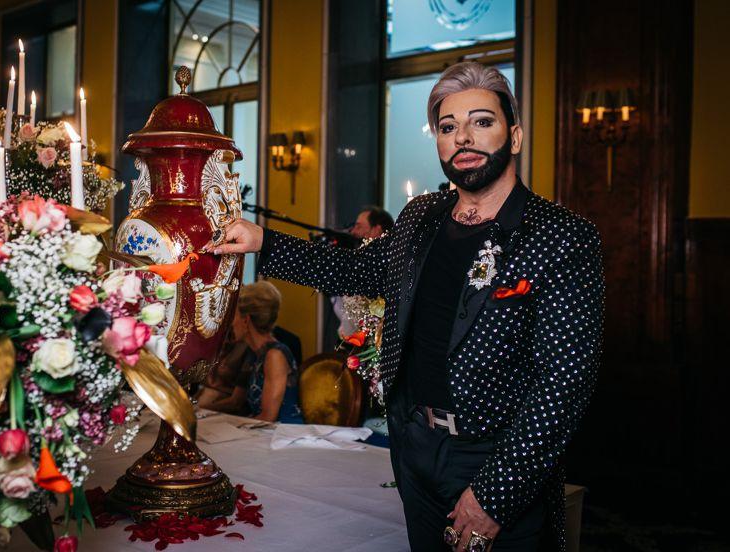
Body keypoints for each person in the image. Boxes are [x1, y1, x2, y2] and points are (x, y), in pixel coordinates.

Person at [206, 61, 603, 551]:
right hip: (412, 443)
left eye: (482, 121)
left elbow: (564, 385)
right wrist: (262, 241)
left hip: (493, 455)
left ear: (514, 137)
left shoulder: (561, 236)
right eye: (448, 126)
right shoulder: (421, 217)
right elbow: (353, 271)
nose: (464, 137)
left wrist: (494, 497)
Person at [207, 280, 302, 423]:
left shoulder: (274, 356)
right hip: (263, 432)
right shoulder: (255, 353)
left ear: (246, 320)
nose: (230, 322)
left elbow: (268, 417)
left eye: (234, 316)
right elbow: (236, 401)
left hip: (283, 436)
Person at [333, 207, 395, 336]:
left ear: (377, 230)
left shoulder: (387, 270)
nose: (353, 231)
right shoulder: (357, 266)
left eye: (359, 227)